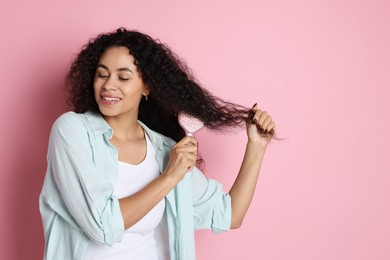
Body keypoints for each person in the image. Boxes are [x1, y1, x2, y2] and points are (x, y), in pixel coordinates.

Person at [39, 27, 278, 260]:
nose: (108, 85)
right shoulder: (72, 131)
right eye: (102, 74)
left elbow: (229, 214)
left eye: (123, 77)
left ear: (146, 87)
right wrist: (170, 177)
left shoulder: (164, 150)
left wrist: (256, 146)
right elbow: (103, 227)